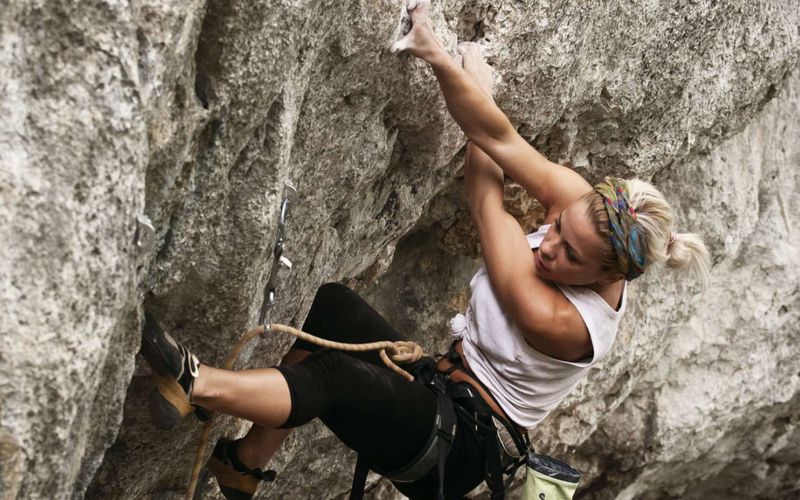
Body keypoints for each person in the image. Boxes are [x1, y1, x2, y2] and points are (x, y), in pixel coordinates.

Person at [138, 1, 712, 498]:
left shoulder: (560, 322)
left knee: (337, 378)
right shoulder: (583, 211)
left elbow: (487, 195)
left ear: (608, 276)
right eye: (558, 227)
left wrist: (464, 84)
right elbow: (497, 137)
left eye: (570, 256)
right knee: (333, 306)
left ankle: (198, 384)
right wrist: (443, 60)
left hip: (456, 447)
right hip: (439, 386)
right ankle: (244, 465)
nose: (551, 244)